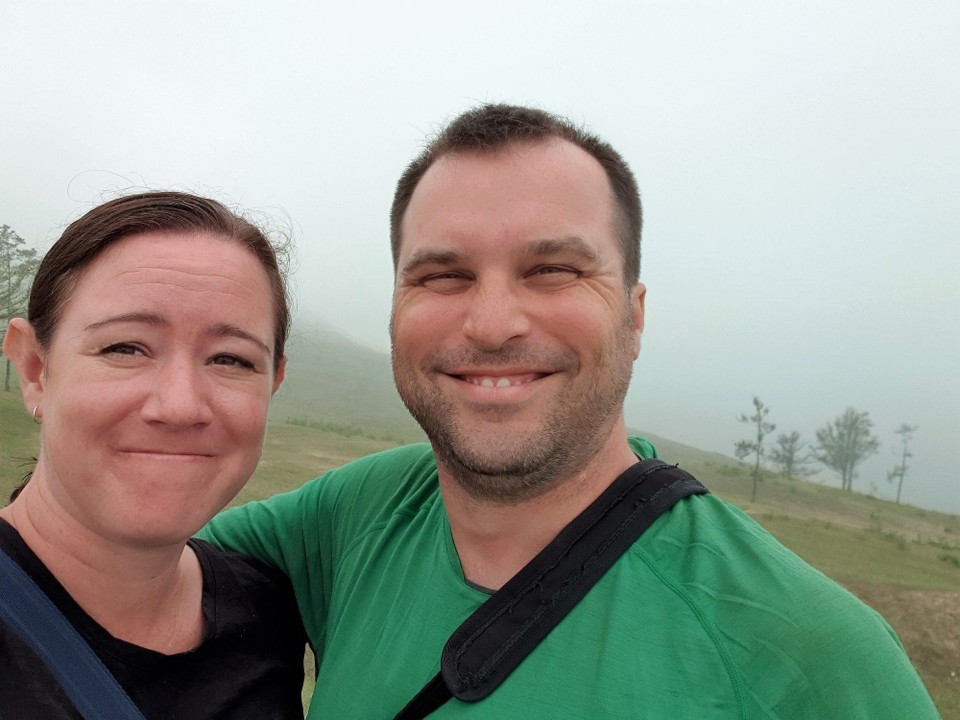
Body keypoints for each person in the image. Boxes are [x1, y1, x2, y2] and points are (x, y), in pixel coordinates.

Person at [201, 105, 940, 718]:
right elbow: (116, 566)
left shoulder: (813, 658)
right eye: (442, 275)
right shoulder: (355, 517)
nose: (492, 323)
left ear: (635, 314)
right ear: (394, 309)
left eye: (553, 270)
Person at [1, 192, 306, 718]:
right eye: (125, 348)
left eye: (231, 359)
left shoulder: (270, 613)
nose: (180, 406)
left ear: (273, 382)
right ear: (34, 369)